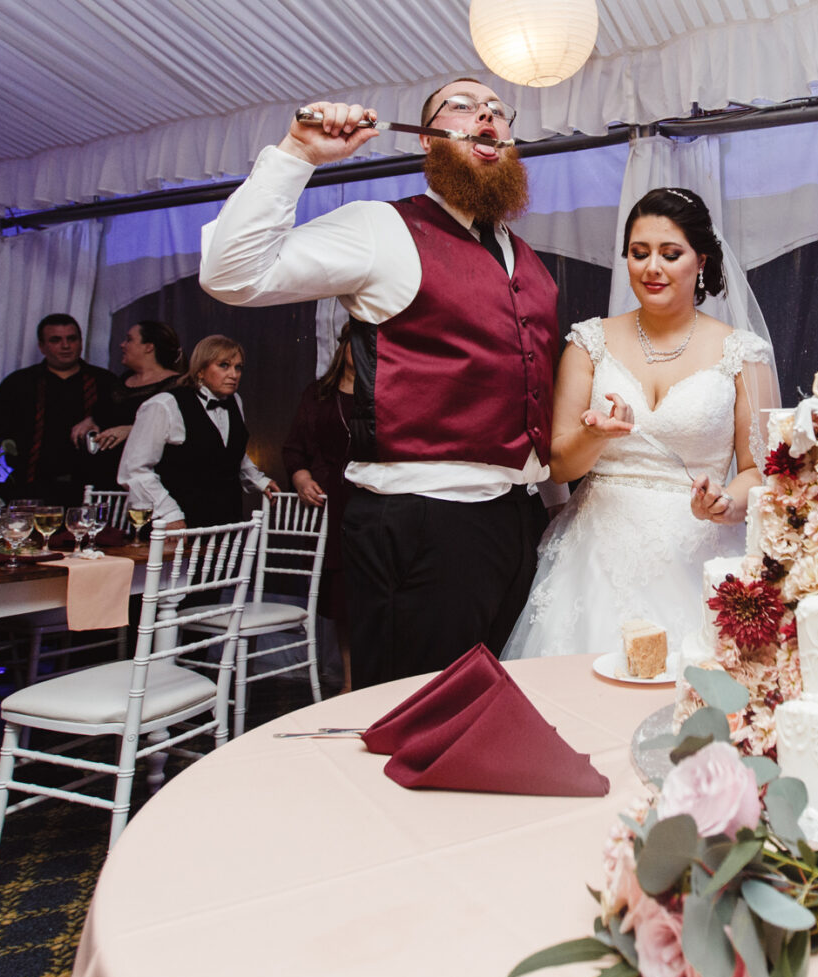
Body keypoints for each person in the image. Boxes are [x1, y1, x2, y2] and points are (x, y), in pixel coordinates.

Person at [200, 77, 558, 688]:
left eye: (499, 111)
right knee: (413, 714)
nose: (487, 117)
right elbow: (232, 275)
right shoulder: (381, 228)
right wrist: (298, 154)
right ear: (427, 141)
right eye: (465, 107)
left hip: (516, 516)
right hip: (419, 518)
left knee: (489, 708)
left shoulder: (520, 253)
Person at [501, 188, 778, 663]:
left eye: (671, 254)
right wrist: (595, 435)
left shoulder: (743, 353)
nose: (652, 268)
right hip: (594, 558)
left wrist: (725, 502)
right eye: (639, 253)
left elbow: (760, 470)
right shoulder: (589, 343)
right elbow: (560, 466)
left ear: (701, 262)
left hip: (698, 551)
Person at [118, 334, 278, 533]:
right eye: (224, 365)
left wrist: (259, 481)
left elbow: (229, 451)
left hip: (225, 520)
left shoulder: (235, 401)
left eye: (238, 367)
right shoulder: (164, 405)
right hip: (178, 524)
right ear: (200, 370)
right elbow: (134, 469)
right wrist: (169, 514)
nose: (234, 374)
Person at [0, 313, 120, 505]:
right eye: (56, 340)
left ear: (81, 342)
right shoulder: (19, 383)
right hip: (29, 490)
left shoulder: (106, 383)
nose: (66, 346)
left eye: (72, 339)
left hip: (93, 492)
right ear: (42, 346)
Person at [281, 323, 355, 690]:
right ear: (343, 346)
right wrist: (300, 477)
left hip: (377, 500)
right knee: (343, 598)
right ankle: (349, 681)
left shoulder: (384, 392)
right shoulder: (318, 394)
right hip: (334, 505)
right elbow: (293, 449)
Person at [79, 320, 185, 486]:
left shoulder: (178, 386)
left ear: (148, 347)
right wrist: (91, 421)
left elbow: (182, 432)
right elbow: (105, 414)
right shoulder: (122, 381)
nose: (122, 344)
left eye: (129, 339)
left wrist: (132, 430)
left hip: (146, 483)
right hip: (105, 482)